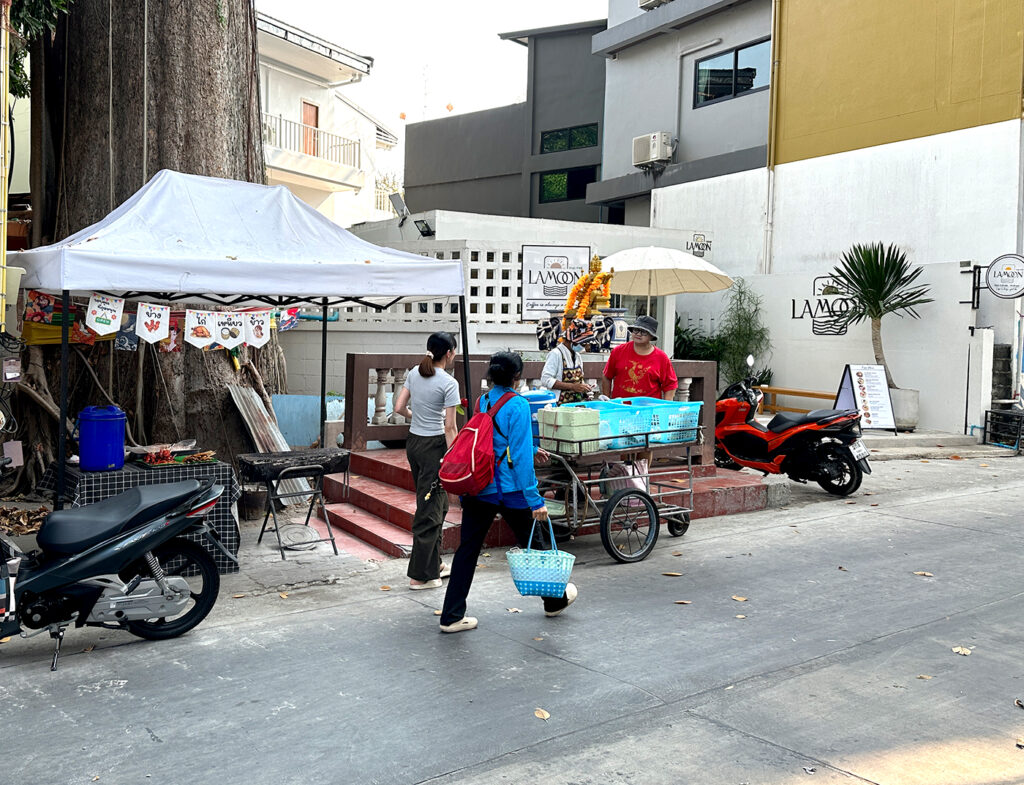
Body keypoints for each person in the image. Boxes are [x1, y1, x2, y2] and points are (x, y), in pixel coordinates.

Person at [439, 351, 578, 633]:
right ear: (517, 377)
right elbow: (521, 461)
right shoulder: (519, 405)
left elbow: (493, 440)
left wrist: (530, 448)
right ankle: (554, 602)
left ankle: (451, 616)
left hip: (480, 486)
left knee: (467, 551)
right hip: (511, 490)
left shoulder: (483, 400)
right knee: (537, 545)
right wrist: (535, 499)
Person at [394, 332, 459, 590]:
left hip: (415, 444)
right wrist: (455, 459)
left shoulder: (414, 372)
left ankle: (434, 564)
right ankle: (419, 576)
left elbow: (398, 408)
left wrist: (416, 415)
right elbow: (450, 427)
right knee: (429, 510)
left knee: (438, 503)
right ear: (450, 353)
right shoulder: (448, 382)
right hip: (435, 447)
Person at [601, 315, 678, 400]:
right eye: (636, 330)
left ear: (651, 336)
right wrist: (607, 401)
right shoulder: (618, 351)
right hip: (621, 408)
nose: (638, 334)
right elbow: (607, 376)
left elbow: (670, 384)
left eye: (643, 332)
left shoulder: (661, 357)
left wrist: (665, 407)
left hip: (649, 409)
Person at [540, 319, 595, 404]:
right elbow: (546, 379)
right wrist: (572, 387)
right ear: (572, 340)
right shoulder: (556, 354)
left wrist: (585, 388)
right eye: (583, 343)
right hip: (559, 403)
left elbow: (579, 380)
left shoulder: (577, 356)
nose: (585, 347)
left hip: (575, 404)